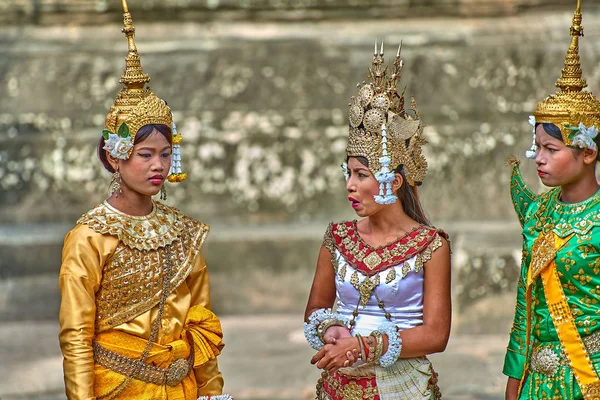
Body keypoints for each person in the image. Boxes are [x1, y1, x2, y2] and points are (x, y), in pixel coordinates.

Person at [58, 1, 233, 399]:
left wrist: (211, 391)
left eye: (165, 153)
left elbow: (201, 324)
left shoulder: (183, 233)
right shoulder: (89, 238)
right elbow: (76, 336)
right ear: (114, 157)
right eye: (145, 154)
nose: (158, 165)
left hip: (183, 388)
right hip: (118, 389)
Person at [303, 41, 451, 399]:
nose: (350, 186)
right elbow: (316, 308)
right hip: (340, 383)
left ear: (393, 181)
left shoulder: (431, 245)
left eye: (361, 175)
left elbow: (436, 335)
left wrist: (363, 346)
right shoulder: (337, 237)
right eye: (348, 174)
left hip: (403, 386)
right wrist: (331, 331)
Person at [503, 1, 600, 399]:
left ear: (587, 153)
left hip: (589, 379)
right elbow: (525, 309)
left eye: (551, 149)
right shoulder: (539, 210)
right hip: (536, 384)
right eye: (537, 147)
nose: (539, 158)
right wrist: (514, 382)